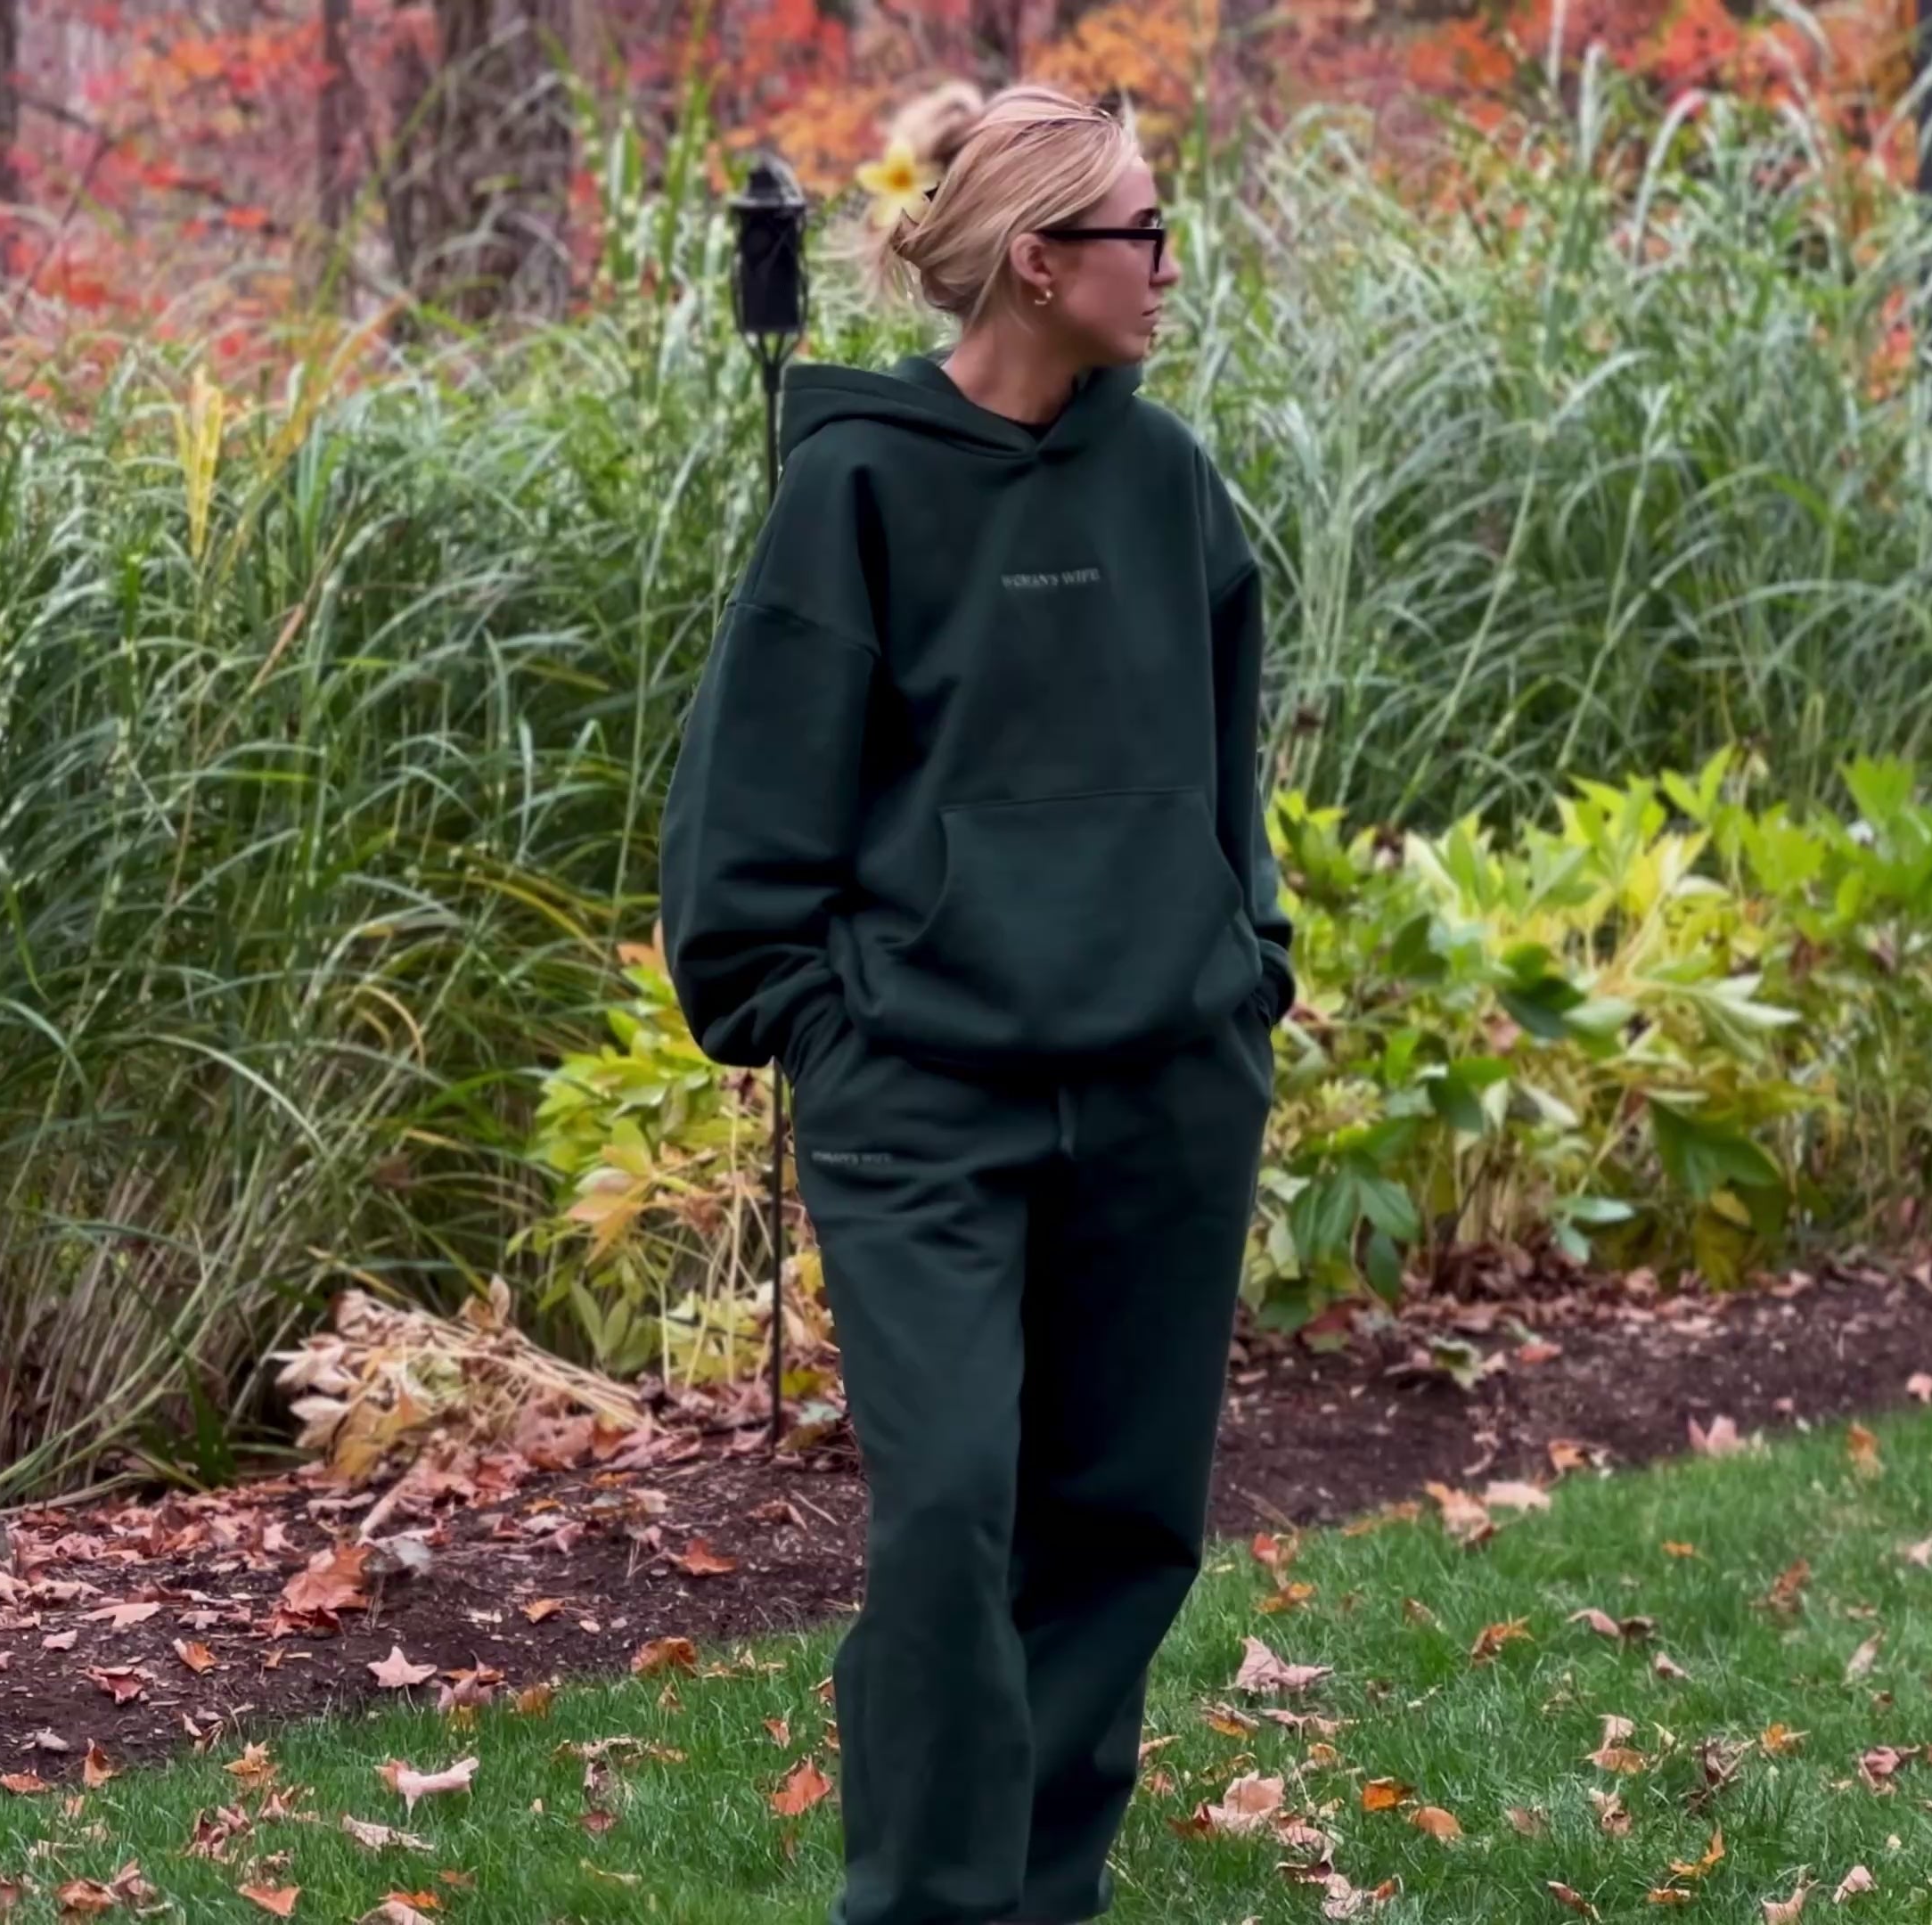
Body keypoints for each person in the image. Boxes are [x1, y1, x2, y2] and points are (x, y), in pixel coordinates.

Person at [657, 83, 1288, 1925]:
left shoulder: (1164, 478)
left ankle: (1044, 1894)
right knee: (946, 1528)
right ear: (1039, 258)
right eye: (1141, 236)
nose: (1168, 268)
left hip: (1167, 1083)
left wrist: (1243, 968)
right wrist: (819, 1015)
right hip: (924, 1096)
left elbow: (1225, 756)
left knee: (1120, 1529)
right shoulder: (856, 485)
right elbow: (748, 806)